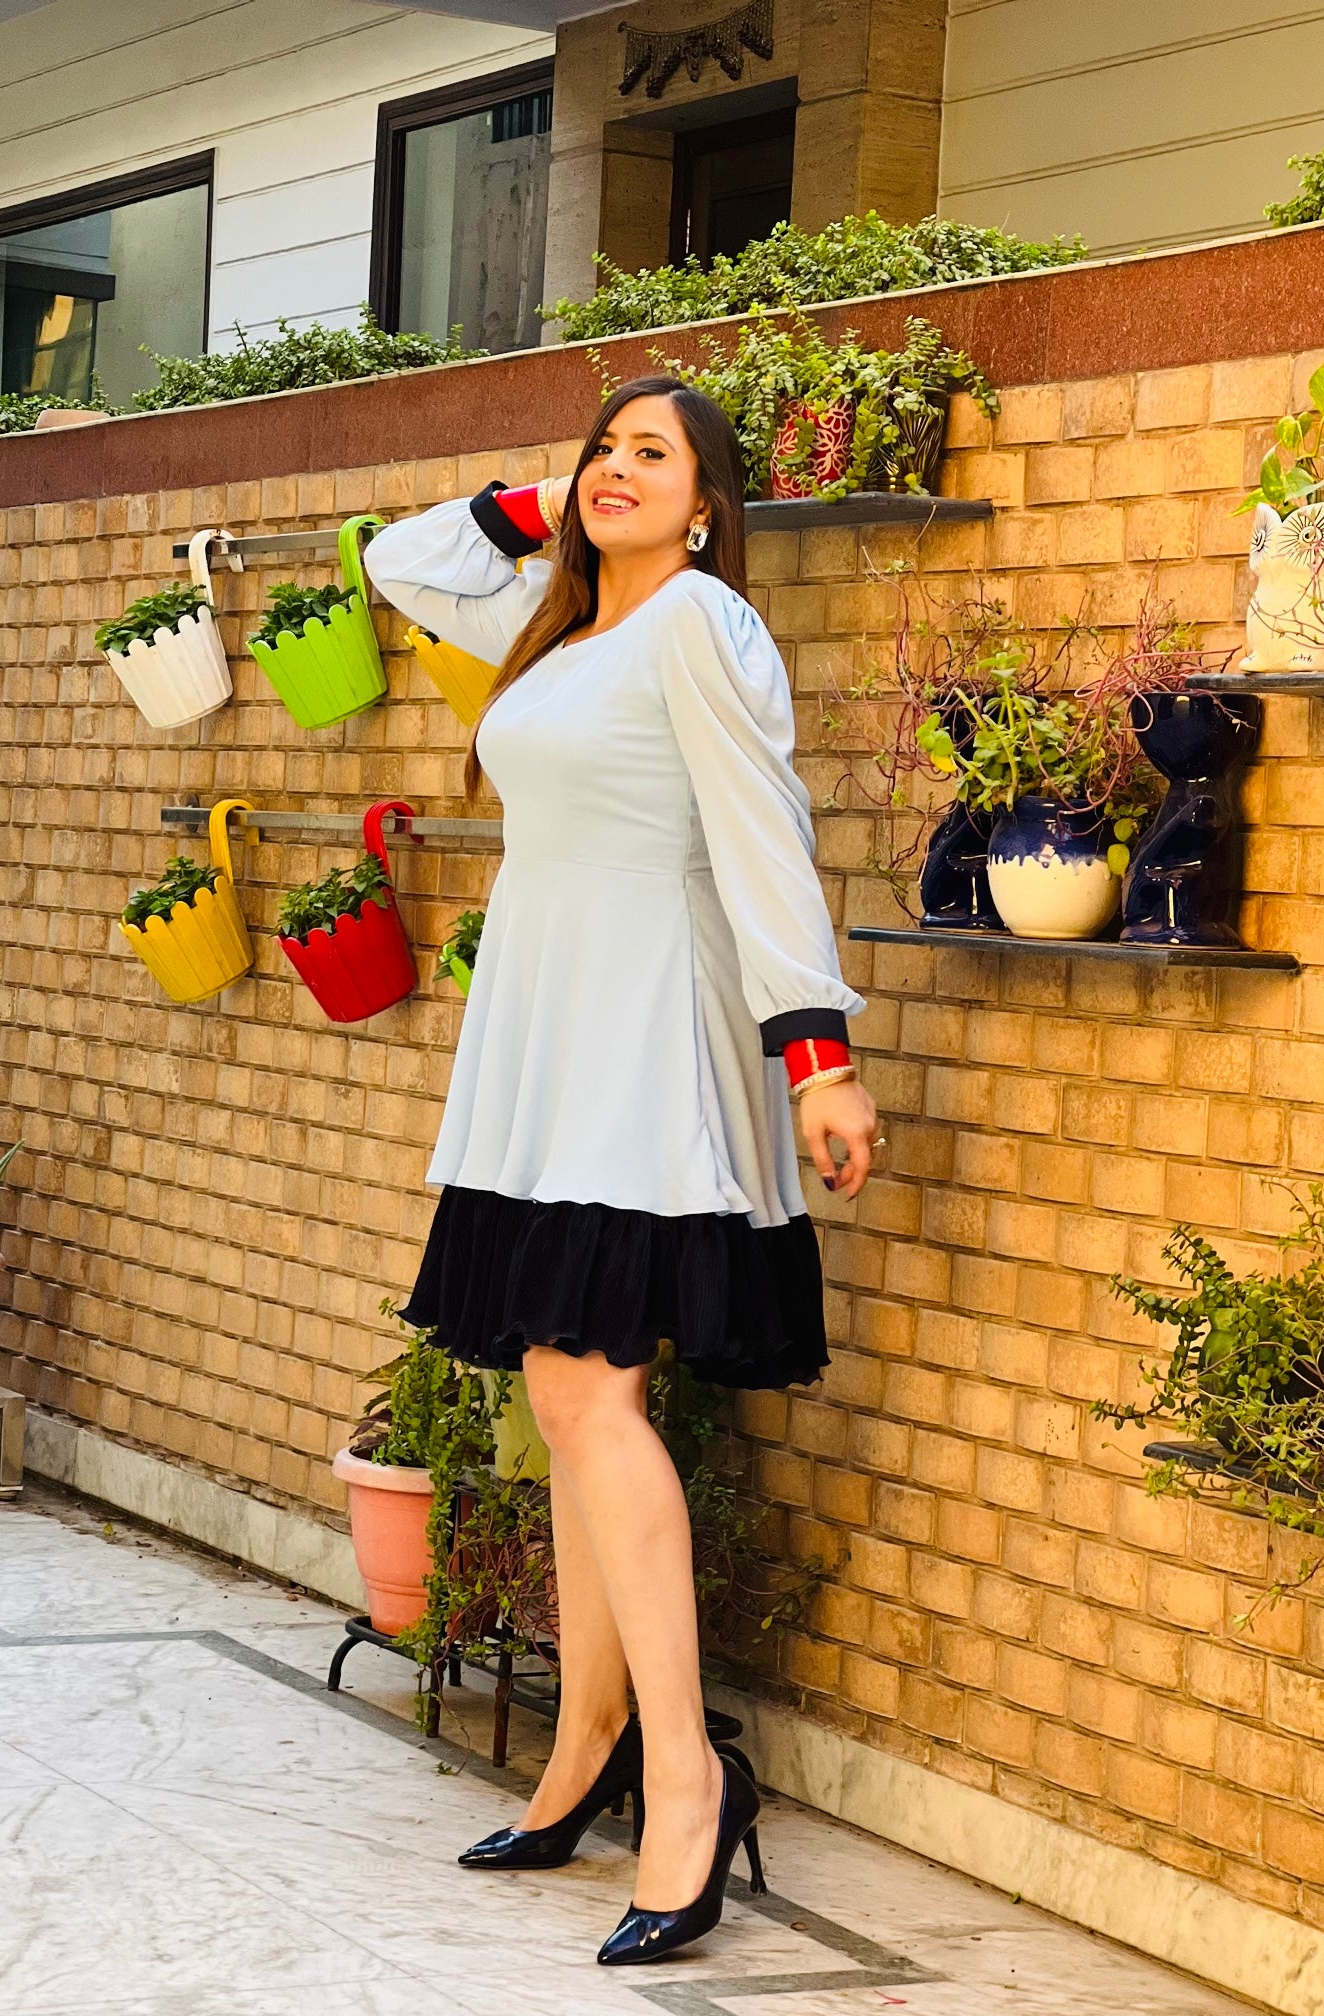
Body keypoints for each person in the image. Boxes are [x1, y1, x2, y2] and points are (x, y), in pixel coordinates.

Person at [363, 375, 880, 1967]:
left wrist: (816, 1052)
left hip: (649, 1042)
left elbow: (760, 832)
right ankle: (586, 1748)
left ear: (715, 502)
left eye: (652, 454)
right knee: (567, 1395)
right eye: (602, 449)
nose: (612, 471)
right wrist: (553, 506)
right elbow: (395, 560)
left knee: (587, 1393)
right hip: (548, 1044)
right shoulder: (567, 624)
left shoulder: (705, 627)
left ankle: (684, 1782)